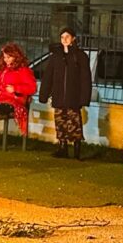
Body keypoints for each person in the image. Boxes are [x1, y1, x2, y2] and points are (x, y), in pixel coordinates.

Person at [39, 26, 92, 159]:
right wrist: (44, 95)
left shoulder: (80, 56)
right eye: (62, 37)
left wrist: (84, 98)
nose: (65, 39)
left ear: (73, 38)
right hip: (58, 96)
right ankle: (62, 147)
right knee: (60, 122)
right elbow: (48, 76)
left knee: (74, 123)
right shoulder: (56, 56)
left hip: (73, 97)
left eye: (67, 37)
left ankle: (77, 149)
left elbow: (85, 78)